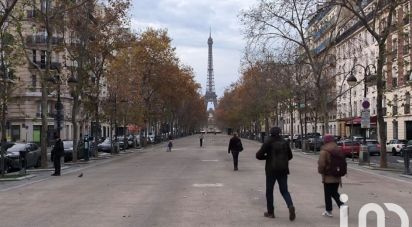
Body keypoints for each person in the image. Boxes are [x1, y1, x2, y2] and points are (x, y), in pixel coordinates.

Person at [256, 127, 295, 221]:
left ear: (270, 133)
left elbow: (258, 155)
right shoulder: (285, 142)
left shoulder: (268, 142)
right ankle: (290, 205)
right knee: (284, 190)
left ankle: (270, 212)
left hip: (271, 170)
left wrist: (267, 157)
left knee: (269, 191)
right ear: (280, 132)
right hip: (283, 170)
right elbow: (290, 156)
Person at [318, 134, 344, 217]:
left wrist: (321, 171)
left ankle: (329, 210)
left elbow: (322, 164)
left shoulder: (324, 150)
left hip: (328, 175)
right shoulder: (337, 149)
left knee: (328, 194)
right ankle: (341, 206)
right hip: (337, 174)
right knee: (334, 192)